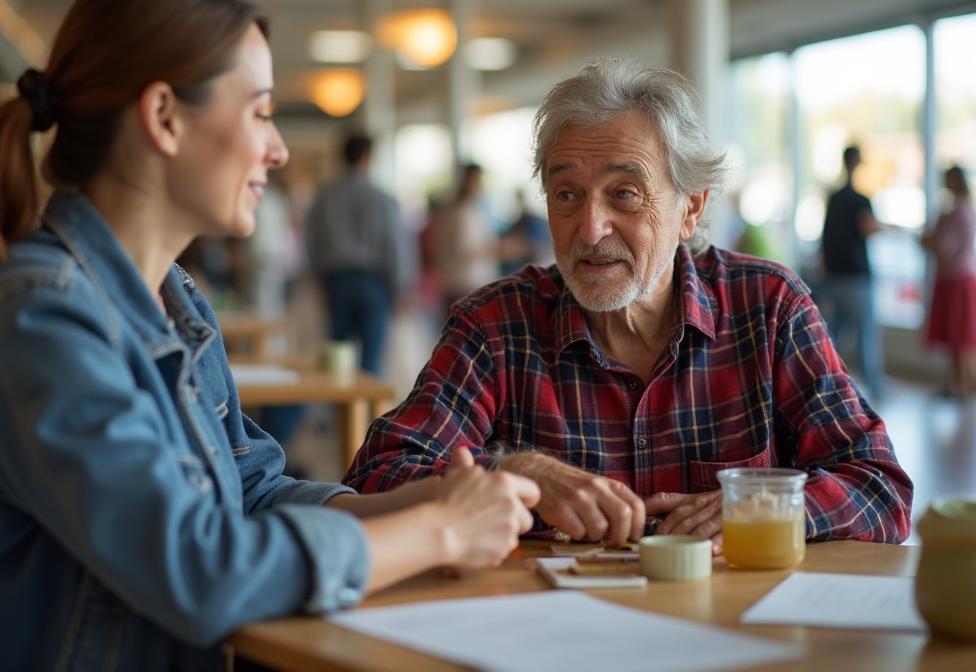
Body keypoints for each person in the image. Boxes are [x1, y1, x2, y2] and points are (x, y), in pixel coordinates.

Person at [0, 0, 539, 671]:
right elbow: (201, 569)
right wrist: (440, 533)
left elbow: (251, 489)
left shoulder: (174, 299)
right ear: (164, 117)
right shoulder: (38, 322)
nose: (279, 147)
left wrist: (427, 501)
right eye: (259, 111)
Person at [344, 59, 912, 551]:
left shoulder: (768, 308)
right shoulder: (496, 324)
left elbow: (880, 486)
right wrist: (511, 471)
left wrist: (768, 509)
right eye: (566, 195)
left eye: (625, 194)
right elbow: (377, 475)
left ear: (691, 207)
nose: (589, 230)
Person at [305, 133, 413, 375]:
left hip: (336, 280)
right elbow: (395, 246)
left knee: (338, 359)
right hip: (373, 282)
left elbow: (311, 241)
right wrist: (402, 285)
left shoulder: (325, 196)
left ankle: (340, 411)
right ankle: (367, 412)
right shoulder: (382, 197)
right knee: (372, 359)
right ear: (368, 157)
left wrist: (317, 277)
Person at [820, 145, 885, 399]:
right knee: (865, 332)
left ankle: (826, 380)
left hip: (834, 274)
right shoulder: (860, 200)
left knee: (834, 332)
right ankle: (875, 385)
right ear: (856, 163)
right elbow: (869, 229)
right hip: (856, 276)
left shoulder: (834, 198)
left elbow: (824, 237)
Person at [921, 165, 976, 395]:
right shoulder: (957, 211)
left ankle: (963, 384)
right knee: (956, 337)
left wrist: (928, 240)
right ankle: (958, 383)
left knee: (960, 336)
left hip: (957, 280)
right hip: (953, 278)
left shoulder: (958, 213)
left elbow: (943, 247)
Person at [435, 162, 500, 314]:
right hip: (465, 286)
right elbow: (465, 250)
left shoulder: (456, 210)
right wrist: (501, 249)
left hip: (460, 284)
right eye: (477, 180)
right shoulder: (461, 212)